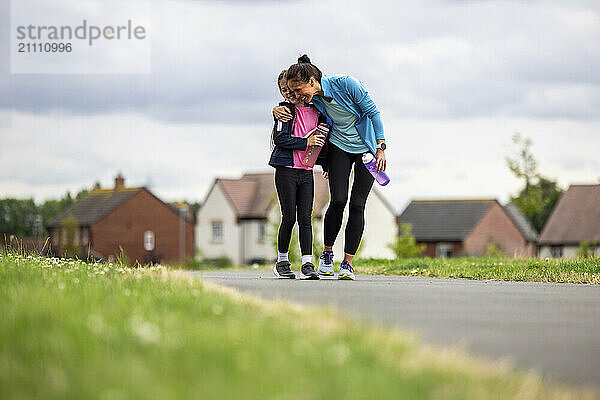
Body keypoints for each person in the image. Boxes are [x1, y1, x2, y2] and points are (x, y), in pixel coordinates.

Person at [273, 55, 387, 281]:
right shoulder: (311, 99)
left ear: (313, 81)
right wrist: (276, 109)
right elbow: (293, 107)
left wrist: (380, 146)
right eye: (293, 92)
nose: (297, 95)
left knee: (357, 204)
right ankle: (326, 255)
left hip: (366, 147)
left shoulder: (345, 84)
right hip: (338, 147)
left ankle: (347, 263)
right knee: (338, 201)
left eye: (299, 90)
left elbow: (373, 113)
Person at [268, 70, 330, 280]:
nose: (289, 94)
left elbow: (321, 141)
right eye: (284, 91)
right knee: (289, 217)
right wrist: (306, 143)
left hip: (306, 172)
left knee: (306, 218)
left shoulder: (316, 111)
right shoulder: (284, 111)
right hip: (286, 170)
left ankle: (307, 264)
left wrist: (326, 164)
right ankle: (282, 261)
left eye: (291, 89)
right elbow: (280, 139)